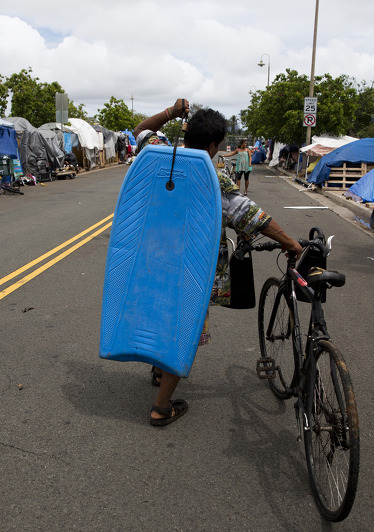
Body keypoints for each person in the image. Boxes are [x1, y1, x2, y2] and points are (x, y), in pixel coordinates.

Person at [132, 98, 303, 426]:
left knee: (161, 317)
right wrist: (291, 243)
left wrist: (170, 111)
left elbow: (141, 130)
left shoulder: (158, 155)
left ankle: (157, 370)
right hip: (189, 268)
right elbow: (252, 215)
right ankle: (161, 407)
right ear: (212, 145)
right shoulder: (212, 180)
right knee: (184, 332)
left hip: (152, 259)